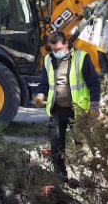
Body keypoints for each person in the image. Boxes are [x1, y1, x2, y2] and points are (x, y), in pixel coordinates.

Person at [34, 31, 101, 180]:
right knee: (56, 146)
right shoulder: (48, 60)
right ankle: (60, 177)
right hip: (57, 109)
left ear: (66, 44)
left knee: (82, 145)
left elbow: (94, 83)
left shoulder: (81, 58)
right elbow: (45, 82)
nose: (55, 52)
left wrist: (95, 104)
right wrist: (40, 94)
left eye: (58, 49)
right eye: (52, 49)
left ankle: (88, 178)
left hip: (77, 109)